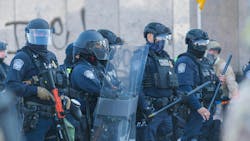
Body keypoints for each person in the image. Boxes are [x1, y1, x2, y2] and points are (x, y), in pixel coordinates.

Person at [6, 18, 59, 141]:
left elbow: (57, 83)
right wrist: (35, 90)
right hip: (33, 118)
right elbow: (11, 85)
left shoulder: (51, 57)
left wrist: (63, 96)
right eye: (37, 34)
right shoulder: (22, 57)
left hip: (54, 116)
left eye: (43, 34)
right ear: (29, 35)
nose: (41, 37)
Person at [136, 22, 179, 141]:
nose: (163, 41)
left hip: (167, 109)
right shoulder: (142, 55)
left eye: (165, 38)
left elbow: (172, 79)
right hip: (152, 111)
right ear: (150, 37)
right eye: (161, 38)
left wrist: (177, 96)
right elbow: (137, 85)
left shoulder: (165, 56)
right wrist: (146, 107)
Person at [70, 29, 110, 140]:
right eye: (97, 45)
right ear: (88, 48)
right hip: (84, 119)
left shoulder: (96, 67)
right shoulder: (81, 69)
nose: (101, 48)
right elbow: (98, 89)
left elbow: (110, 84)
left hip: (97, 117)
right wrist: (112, 91)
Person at [175, 29, 211, 141]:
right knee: (191, 137)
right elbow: (185, 88)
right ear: (190, 43)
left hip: (206, 108)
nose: (203, 46)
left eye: (205, 43)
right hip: (194, 110)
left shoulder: (203, 61)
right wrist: (198, 107)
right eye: (199, 43)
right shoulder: (185, 61)